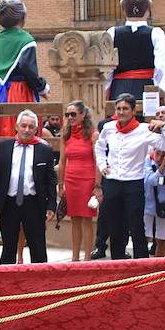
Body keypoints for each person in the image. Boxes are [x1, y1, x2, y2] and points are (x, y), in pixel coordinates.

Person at [93, 95, 165, 260]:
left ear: (133, 111)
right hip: (113, 182)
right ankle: (117, 263)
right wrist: (102, 165)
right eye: (119, 109)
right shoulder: (108, 128)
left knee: (136, 225)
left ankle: (142, 265)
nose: (121, 112)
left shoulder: (144, 129)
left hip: (134, 183)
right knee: (115, 226)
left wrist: (164, 127)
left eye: (125, 109)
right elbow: (99, 146)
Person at [0, 110, 57, 264]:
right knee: (8, 247)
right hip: (9, 203)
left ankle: (40, 282)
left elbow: (51, 181)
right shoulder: (3, 147)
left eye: (31, 127)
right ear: (16, 127)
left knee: (38, 247)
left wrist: (51, 205)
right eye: (24, 126)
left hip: (33, 203)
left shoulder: (44, 150)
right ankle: (6, 283)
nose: (27, 130)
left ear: (35, 129)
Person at [0, 0, 47, 137]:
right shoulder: (26, 39)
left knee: (2, 130)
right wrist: (41, 87)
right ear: (22, 17)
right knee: (24, 129)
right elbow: (27, 69)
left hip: (1, 94)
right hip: (21, 92)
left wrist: (2, 83)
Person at [106, 0, 165, 102]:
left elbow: (107, 70)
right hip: (147, 90)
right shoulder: (156, 33)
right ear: (150, 6)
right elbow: (161, 68)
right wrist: (163, 91)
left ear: (122, 6)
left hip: (119, 91)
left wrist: (106, 90)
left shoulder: (112, 33)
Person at [57, 101, 98, 262]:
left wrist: (97, 185)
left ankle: (87, 257)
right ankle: (75, 257)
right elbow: (62, 161)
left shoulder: (93, 134)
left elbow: (97, 161)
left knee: (87, 218)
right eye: (67, 114)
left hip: (87, 179)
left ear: (83, 115)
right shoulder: (65, 134)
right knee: (74, 218)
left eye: (73, 114)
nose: (70, 117)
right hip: (71, 179)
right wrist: (61, 184)